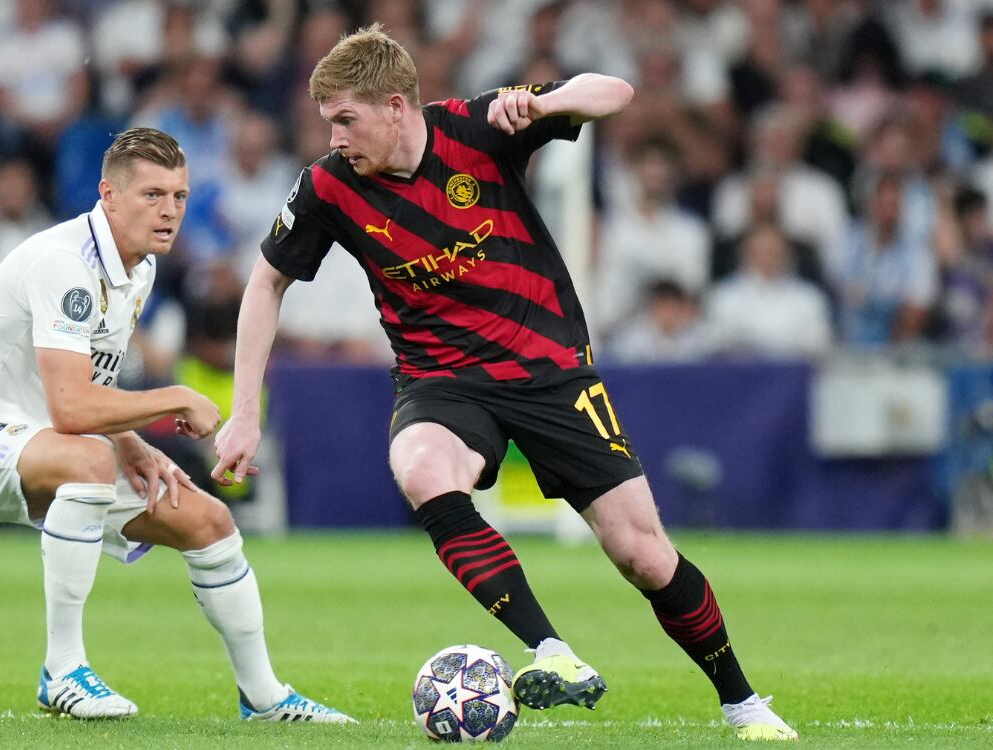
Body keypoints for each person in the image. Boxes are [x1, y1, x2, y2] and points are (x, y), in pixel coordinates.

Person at [212, 25, 796, 742]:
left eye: (345, 118)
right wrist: (244, 414)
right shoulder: (329, 185)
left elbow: (614, 92)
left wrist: (547, 106)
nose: (333, 137)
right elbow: (265, 283)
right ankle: (549, 649)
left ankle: (742, 701)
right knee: (421, 467)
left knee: (642, 554)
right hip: (442, 381)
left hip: (548, 370)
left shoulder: (478, 126)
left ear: (396, 106)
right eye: (328, 121)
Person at [0, 127, 351, 723]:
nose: (169, 211)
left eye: (179, 196)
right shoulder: (65, 264)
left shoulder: (135, 267)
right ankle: (62, 670)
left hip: (44, 442)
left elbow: (83, 387)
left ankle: (265, 697)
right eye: (151, 195)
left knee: (208, 520)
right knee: (87, 460)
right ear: (108, 196)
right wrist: (171, 399)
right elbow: (71, 407)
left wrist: (131, 442)